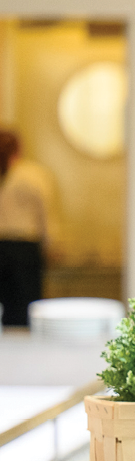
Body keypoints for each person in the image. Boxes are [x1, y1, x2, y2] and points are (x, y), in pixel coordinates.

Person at [0, 131, 60, 326]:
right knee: (26, 307)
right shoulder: (34, 175)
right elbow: (46, 214)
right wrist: (52, 244)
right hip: (25, 250)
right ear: (19, 148)